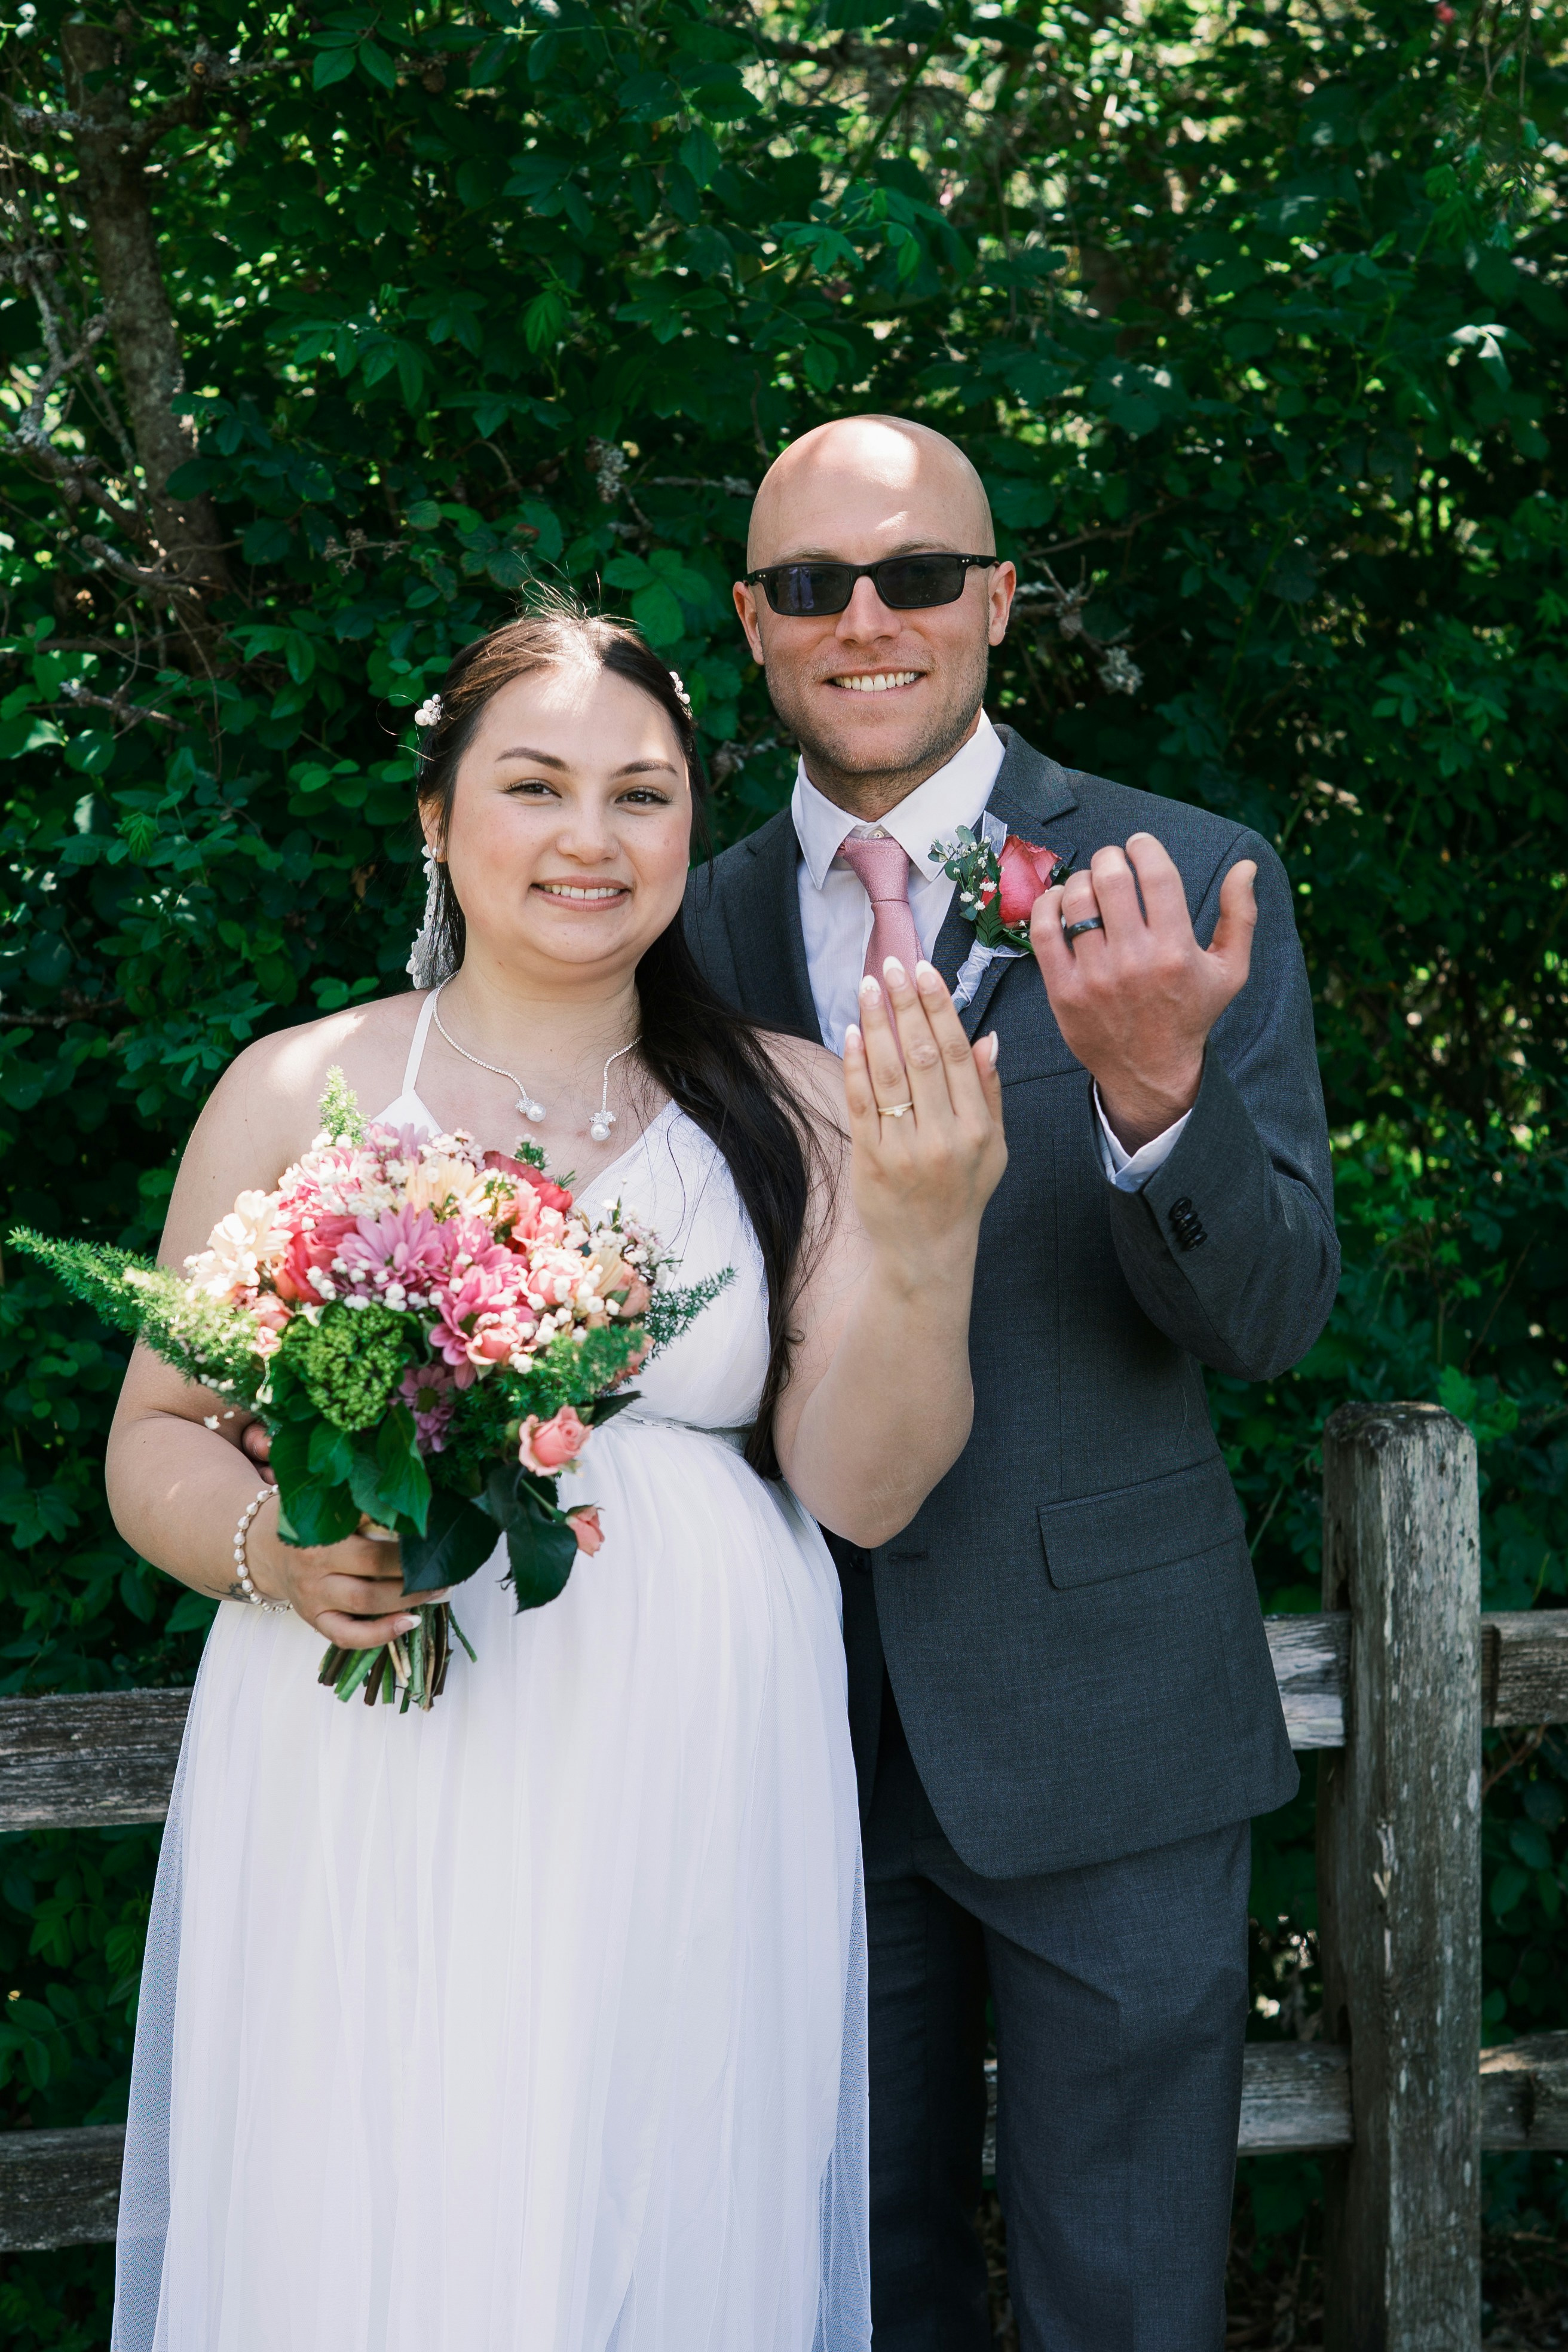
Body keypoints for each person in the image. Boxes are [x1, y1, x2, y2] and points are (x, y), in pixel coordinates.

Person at [104, 606, 1006, 2352]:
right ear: (436, 817)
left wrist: (927, 1243)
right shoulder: (303, 1085)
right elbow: (156, 1434)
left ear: (692, 830)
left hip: (692, 1782)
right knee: (383, 2195)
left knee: (656, 2216)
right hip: (379, 1759)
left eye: (643, 795)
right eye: (535, 786)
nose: (592, 839)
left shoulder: (799, 1108)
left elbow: (868, 1492)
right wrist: (274, 1556)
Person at [682, 415, 1339, 2351]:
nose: (864, 619)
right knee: (839, 2298)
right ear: (753, 621)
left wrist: (1156, 1096)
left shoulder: (1188, 880)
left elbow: (1282, 1313)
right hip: (783, 1735)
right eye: (812, 586)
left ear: (997, 600)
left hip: (1108, 1726)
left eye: (914, 576)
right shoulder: (678, 924)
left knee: (1125, 2302)